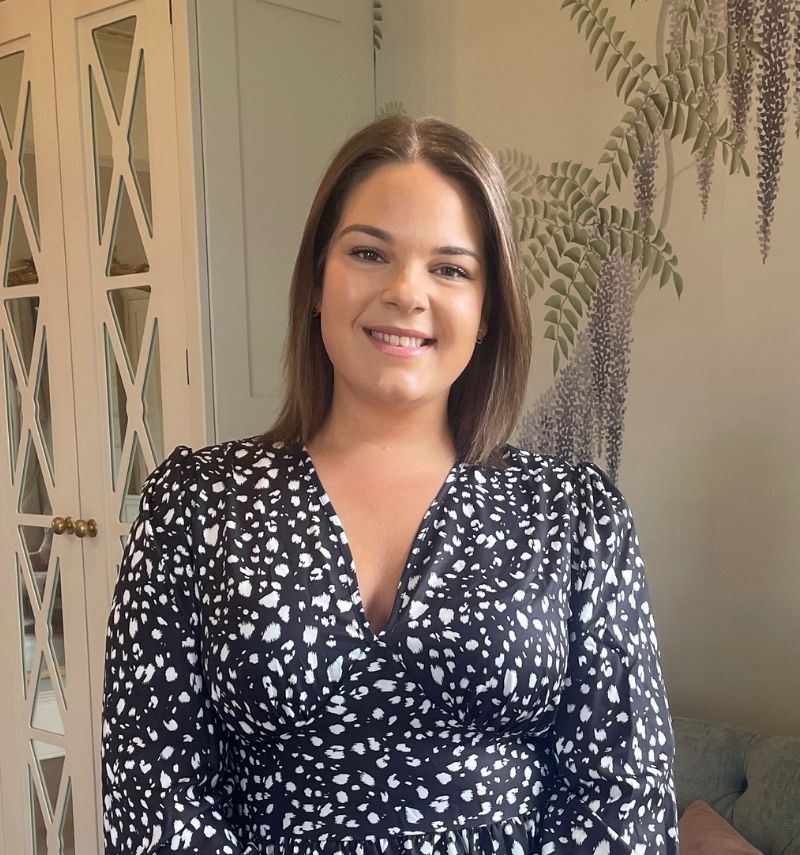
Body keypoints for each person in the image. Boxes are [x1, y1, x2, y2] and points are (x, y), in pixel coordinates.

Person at [101, 114, 679, 854]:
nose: (408, 292)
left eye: (450, 268)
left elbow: (625, 792)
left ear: (488, 310)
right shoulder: (196, 504)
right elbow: (153, 791)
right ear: (317, 282)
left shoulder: (574, 515)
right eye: (370, 252)